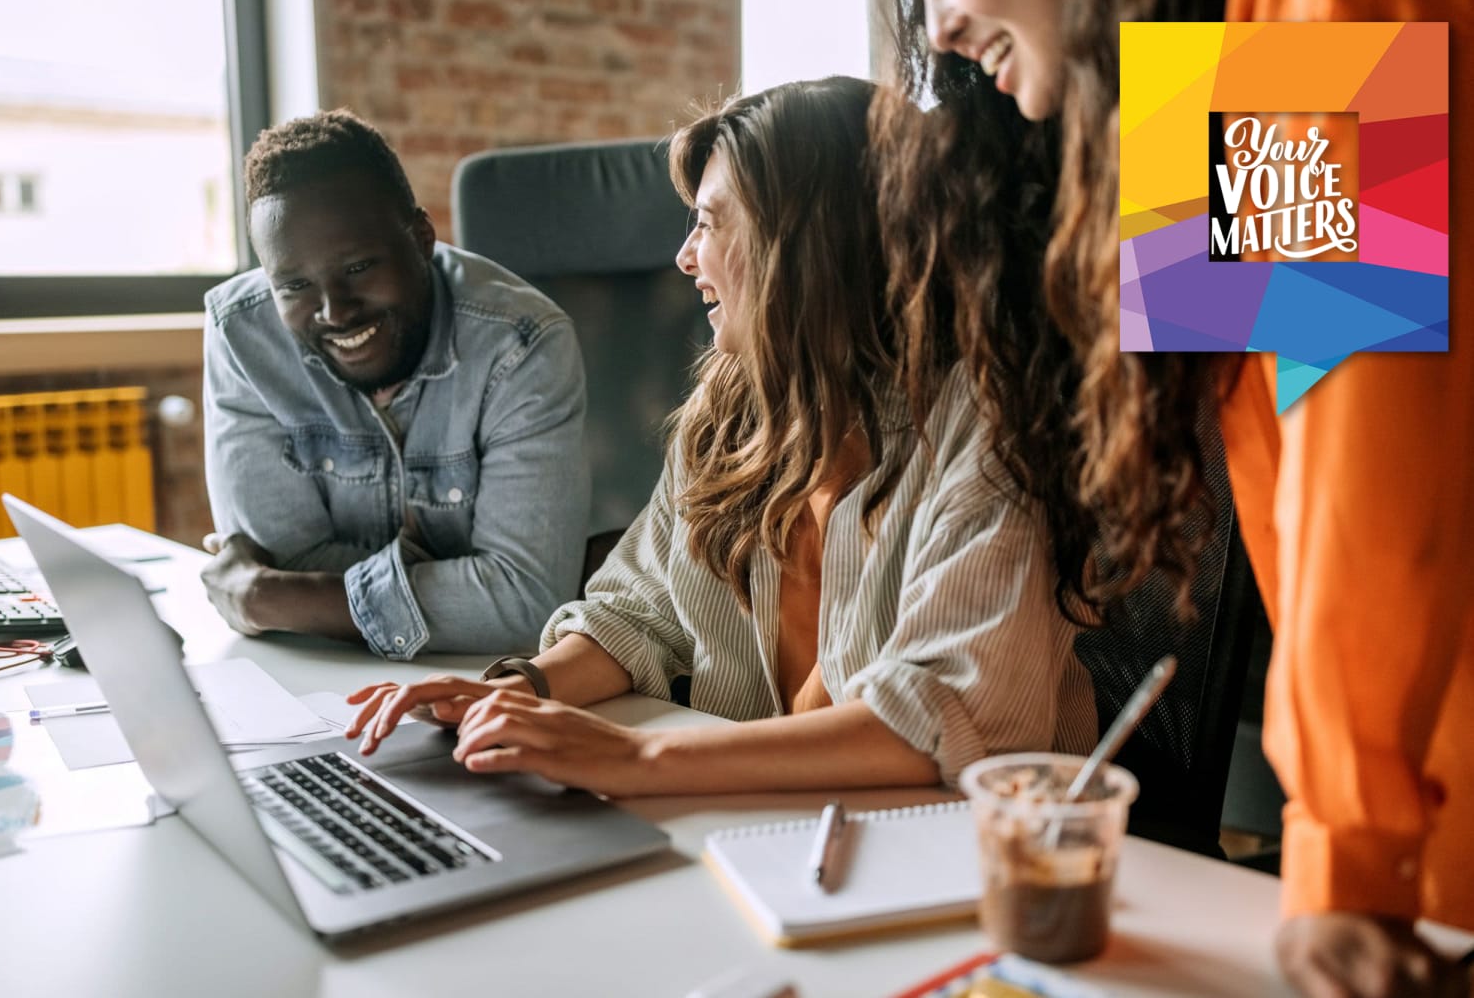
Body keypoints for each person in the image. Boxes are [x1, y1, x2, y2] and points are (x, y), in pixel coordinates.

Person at [888, 1, 1474, 996]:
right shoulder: (1192, 80)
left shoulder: (1308, 26)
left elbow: (1369, 468)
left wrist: (1348, 854)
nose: (938, 28)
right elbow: (1284, 496)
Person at [344, 76, 1097, 798]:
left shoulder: (987, 423)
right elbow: (638, 610)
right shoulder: (729, 409)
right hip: (758, 820)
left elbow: (941, 717)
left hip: (970, 849)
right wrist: (515, 690)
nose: (683, 257)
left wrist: (641, 754)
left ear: (807, 244)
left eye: (707, 222)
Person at [201, 109, 589, 660]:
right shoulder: (241, 332)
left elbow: (525, 606)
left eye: (358, 267)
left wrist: (267, 597)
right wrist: (458, 585)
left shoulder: (522, 341)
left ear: (421, 237)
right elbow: (278, 555)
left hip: (482, 683)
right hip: (318, 674)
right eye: (295, 285)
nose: (335, 312)